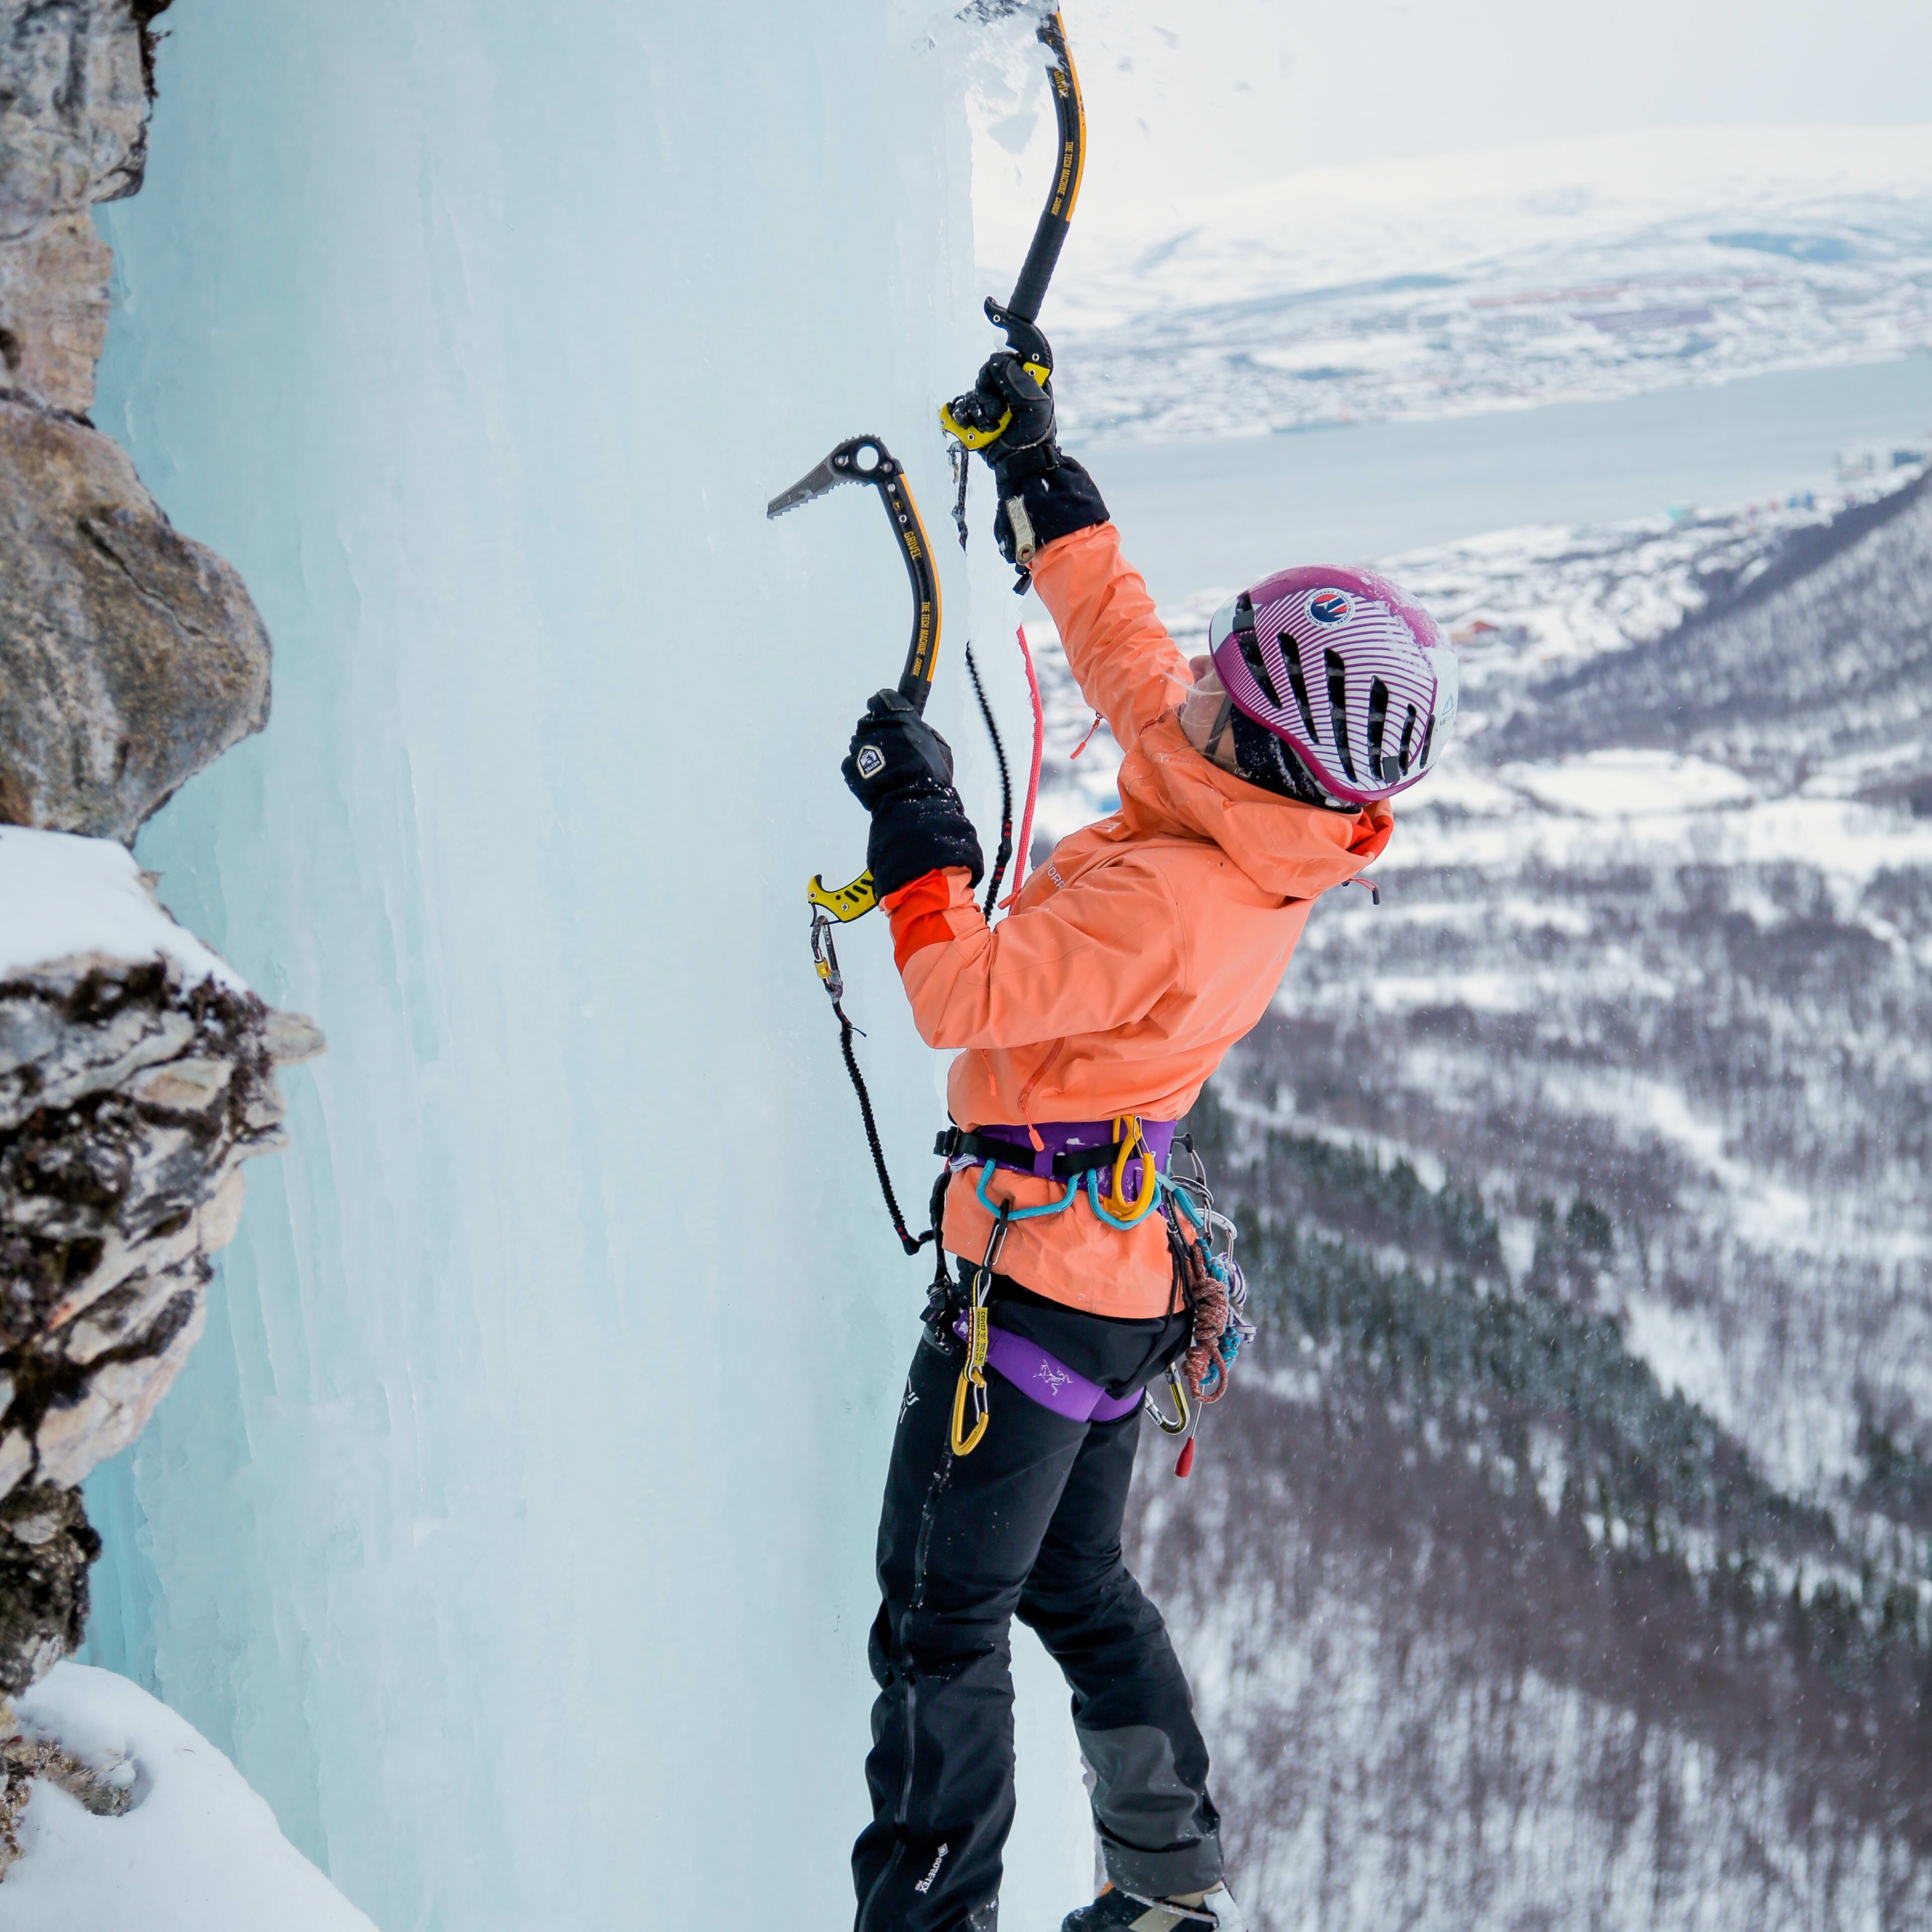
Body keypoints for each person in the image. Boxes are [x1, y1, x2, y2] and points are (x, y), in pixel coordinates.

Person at [843, 346, 1458, 1932]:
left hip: (1035, 1298)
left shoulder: (1169, 899)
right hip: (1110, 1290)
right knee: (1076, 1585)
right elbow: (1132, 663)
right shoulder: (1265, 832)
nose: (1190, 688)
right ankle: (1173, 1889)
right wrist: (1048, 489)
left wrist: (916, 838)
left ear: (1261, 738)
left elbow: (956, 995)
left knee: (939, 1626)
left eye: (1221, 689)